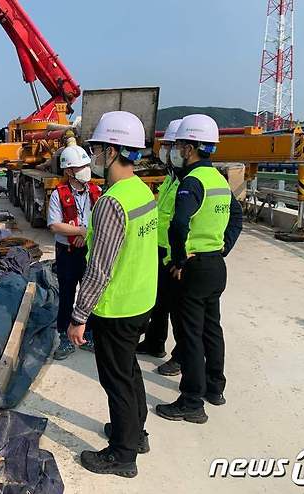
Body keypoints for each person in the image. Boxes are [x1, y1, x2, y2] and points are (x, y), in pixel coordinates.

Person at [67, 111, 157, 478]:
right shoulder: (142, 192)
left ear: (112, 150)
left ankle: (122, 455)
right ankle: (136, 433)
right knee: (129, 372)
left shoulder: (111, 202)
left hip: (116, 305)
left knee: (116, 380)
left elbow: (100, 267)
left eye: (98, 148)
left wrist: (79, 315)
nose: (95, 156)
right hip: (141, 301)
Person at [155, 114, 243, 424]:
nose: (176, 150)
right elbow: (237, 215)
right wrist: (223, 247)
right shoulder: (218, 179)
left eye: (179, 145)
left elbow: (179, 225)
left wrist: (178, 260)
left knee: (189, 335)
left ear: (191, 147)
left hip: (192, 267)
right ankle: (215, 387)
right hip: (215, 265)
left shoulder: (191, 181)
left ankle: (192, 400)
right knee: (211, 328)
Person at [136, 119, 183, 375]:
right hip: (161, 249)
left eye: (170, 146)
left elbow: (234, 216)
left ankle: (180, 356)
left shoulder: (190, 182)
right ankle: (155, 342)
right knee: (159, 302)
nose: (166, 151)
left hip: (177, 255)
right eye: (165, 146)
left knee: (179, 310)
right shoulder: (171, 178)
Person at [48, 145, 102, 360]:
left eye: (86, 166)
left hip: (88, 251)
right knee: (67, 295)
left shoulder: (96, 192)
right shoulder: (58, 194)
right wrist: (81, 231)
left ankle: (88, 333)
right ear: (69, 171)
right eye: (80, 167)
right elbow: (55, 225)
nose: (85, 170)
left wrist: (84, 235)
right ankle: (64, 337)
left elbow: (99, 221)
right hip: (67, 253)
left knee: (90, 293)